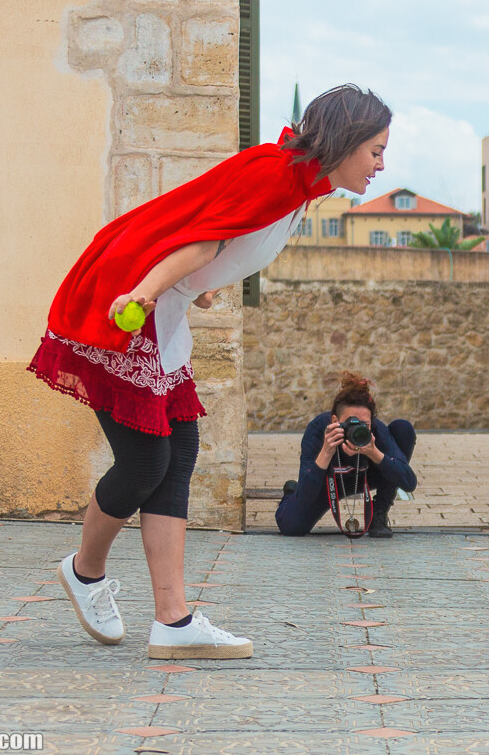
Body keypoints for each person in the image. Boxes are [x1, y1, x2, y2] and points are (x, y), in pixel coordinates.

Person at [28, 85, 391, 658]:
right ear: (344, 141)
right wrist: (147, 293)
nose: (380, 162)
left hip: (160, 304)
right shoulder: (276, 175)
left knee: (179, 451)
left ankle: (172, 622)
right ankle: (85, 572)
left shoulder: (294, 185)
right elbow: (202, 238)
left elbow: (213, 231)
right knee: (148, 459)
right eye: (374, 149)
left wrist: (196, 291)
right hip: (130, 300)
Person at [277, 372, 417, 538]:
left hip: (365, 477)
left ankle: (378, 513)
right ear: (335, 420)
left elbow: (409, 483)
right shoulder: (318, 430)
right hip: (328, 482)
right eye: (351, 423)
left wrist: (374, 453)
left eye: (365, 425)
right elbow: (306, 497)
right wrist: (326, 451)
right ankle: (290, 493)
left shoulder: (377, 432)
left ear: (372, 421)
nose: (358, 430)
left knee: (403, 429)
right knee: (292, 527)